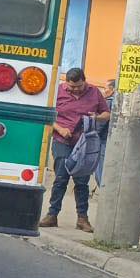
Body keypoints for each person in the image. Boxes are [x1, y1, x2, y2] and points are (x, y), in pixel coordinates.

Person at [40, 68, 111, 233]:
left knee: (82, 182)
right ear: (67, 83)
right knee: (61, 178)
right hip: (62, 140)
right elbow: (48, 115)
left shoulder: (94, 92)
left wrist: (96, 117)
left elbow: (107, 113)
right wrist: (60, 128)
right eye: (72, 87)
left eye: (78, 86)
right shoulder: (58, 91)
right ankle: (52, 215)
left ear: (84, 81)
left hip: (85, 142)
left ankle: (82, 218)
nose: (75, 90)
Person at [94, 79, 117, 188]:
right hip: (111, 140)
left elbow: (100, 124)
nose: (104, 90)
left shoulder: (108, 102)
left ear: (112, 90)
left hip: (103, 140)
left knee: (100, 169)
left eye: (106, 88)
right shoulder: (118, 103)